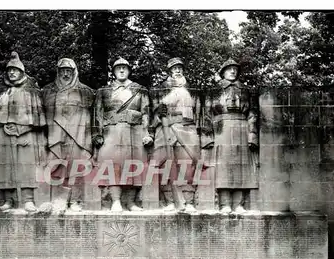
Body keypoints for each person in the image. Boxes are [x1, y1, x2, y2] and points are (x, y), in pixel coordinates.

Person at [0, 51, 46, 212]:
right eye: (9, 70)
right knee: (5, 167)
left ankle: (28, 200)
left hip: (26, 133)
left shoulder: (32, 91)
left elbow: (39, 119)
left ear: (21, 72)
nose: (12, 73)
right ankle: (9, 200)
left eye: (15, 70)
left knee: (26, 166)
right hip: (2, 133)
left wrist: (22, 128)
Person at [151, 57, 212, 211]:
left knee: (189, 164)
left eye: (179, 68)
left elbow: (201, 114)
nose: (177, 70)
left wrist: (204, 136)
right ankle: (170, 200)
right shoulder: (161, 90)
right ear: (169, 71)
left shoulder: (193, 90)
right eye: (174, 68)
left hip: (188, 128)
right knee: (166, 164)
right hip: (167, 128)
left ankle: (189, 200)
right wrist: (159, 112)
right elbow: (152, 111)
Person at [92, 58, 153, 212]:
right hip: (112, 131)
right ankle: (116, 201)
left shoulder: (140, 90)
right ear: (113, 71)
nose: (121, 71)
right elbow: (97, 114)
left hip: (135, 131)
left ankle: (131, 202)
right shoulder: (104, 91)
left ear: (129, 70)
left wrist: (148, 134)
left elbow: (146, 113)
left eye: (124, 68)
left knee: (134, 166)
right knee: (113, 166)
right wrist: (97, 134)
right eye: (118, 68)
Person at [42, 58, 96, 211]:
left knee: (77, 168)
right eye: (62, 70)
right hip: (55, 136)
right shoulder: (47, 91)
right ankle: (58, 200)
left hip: (78, 137)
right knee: (56, 167)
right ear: (58, 72)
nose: (65, 74)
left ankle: (75, 201)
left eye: (69, 71)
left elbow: (92, 117)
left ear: (74, 72)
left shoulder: (86, 91)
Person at [210, 58, 259, 213]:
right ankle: (224, 203)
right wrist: (207, 138)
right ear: (223, 72)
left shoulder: (245, 90)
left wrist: (252, 134)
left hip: (241, 127)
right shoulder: (214, 90)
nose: (233, 71)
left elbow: (252, 114)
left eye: (235, 69)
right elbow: (206, 114)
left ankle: (239, 203)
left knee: (241, 167)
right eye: (229, 69)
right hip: (221, 128)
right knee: (223, 167)